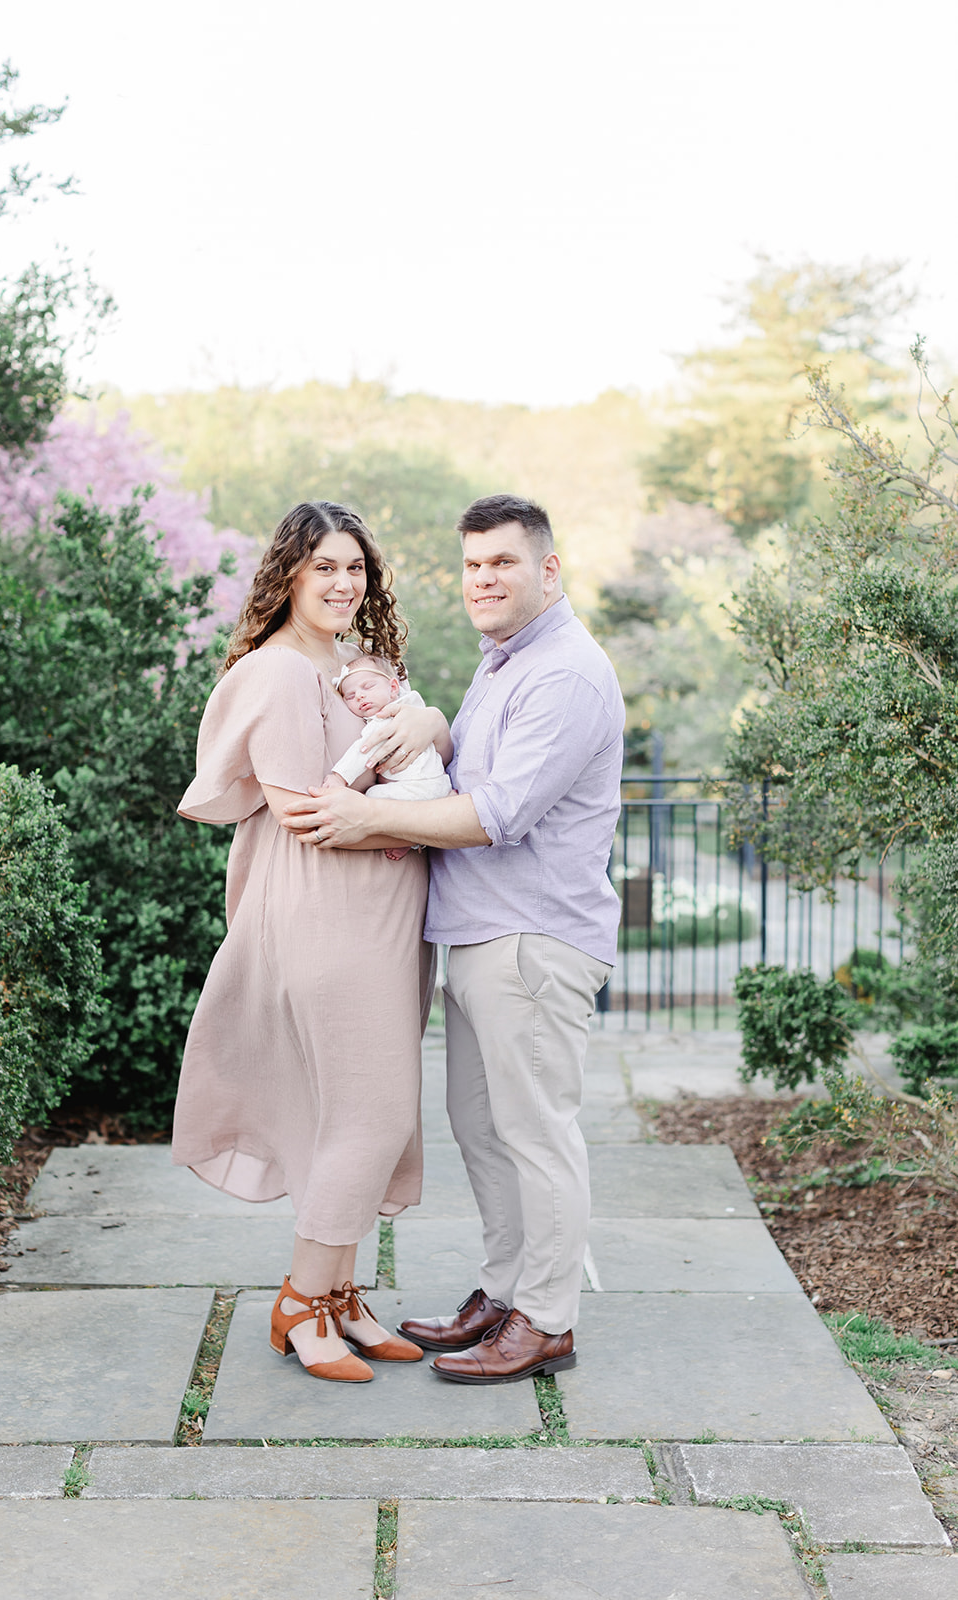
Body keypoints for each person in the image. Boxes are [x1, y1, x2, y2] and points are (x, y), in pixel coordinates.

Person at [281, 493, 624, 1384]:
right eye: (472, 565)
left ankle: (545, 1320)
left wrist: (360, 817)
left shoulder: (564, 674)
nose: (484, 580)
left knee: (535, 1132)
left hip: (531, 940)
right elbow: (457, 765)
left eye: (503, 563)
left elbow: (499, 812)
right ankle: (502, 1293)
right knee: (482, 1128)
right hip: (480, 936)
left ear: (548, 569)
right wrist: (430, 726)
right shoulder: (505, 663)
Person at [171, 501, 436, 1383]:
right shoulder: (280, 675)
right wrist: (426, 824)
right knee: (370, 1110)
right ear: (288, 573)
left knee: (362, 1111)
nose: (341, 583)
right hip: (328, 915)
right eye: (322, 565)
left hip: (388, 920)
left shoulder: (360, 664)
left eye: (354, 567)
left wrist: (428, 732)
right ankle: (298, 1301)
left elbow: (420, 756)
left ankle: (341, 1296)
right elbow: (306, 815)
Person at [326, 653, 453, 800]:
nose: (359, 696)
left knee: (372, 795)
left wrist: (339, 777)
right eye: (350, 696)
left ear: (393, 688)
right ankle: (447, 797)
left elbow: (363, 749)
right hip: (440, 782)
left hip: (417, 787)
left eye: (368, 687)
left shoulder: (386, 719)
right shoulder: (412, 708)